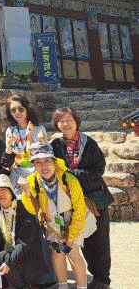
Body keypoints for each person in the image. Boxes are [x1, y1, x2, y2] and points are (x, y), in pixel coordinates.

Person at [50, 107, 113, 289]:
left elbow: (98, 170)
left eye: (69, 120)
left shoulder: (89, 144)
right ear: (57, 124)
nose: (66, 124)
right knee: (78, 241)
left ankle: (102, 280)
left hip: (94, 199)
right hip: (69, 201)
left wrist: (72, 175)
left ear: (76, 122)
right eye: (61, 121)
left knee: (99, 241)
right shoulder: (56, 145)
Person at [20, 142, 95, 289]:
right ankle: (63, 286)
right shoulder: (32, 181)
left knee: (73, 252)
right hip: (52, 221)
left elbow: (79, 210)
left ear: (55, 162)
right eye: (38, 162)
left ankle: (82, 287)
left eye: (47, 161)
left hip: (74, 219)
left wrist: (71, 235)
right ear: (34, 165)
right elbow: (32, 210)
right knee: (57, 253)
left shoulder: (69, 180)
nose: (44, 166)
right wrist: (27, 193)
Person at [0, 174, 47, 289]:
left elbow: (25, 243)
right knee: (0, 256)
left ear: (11, 191)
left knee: (7, 260)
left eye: (3, 190)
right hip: (8, 255)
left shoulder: (25, 208)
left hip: (27, 257)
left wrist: (8, 262)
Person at [2, 94, 47, 197]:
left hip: (36, 176)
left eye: (21, 109)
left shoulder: (39, 129)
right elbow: (7, 160)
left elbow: (45, 155)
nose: (17, 113)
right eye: (13, 110)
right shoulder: (10, 131)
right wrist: (9, 146)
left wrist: (30, 138)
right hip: (17, 178)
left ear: (27, 110)